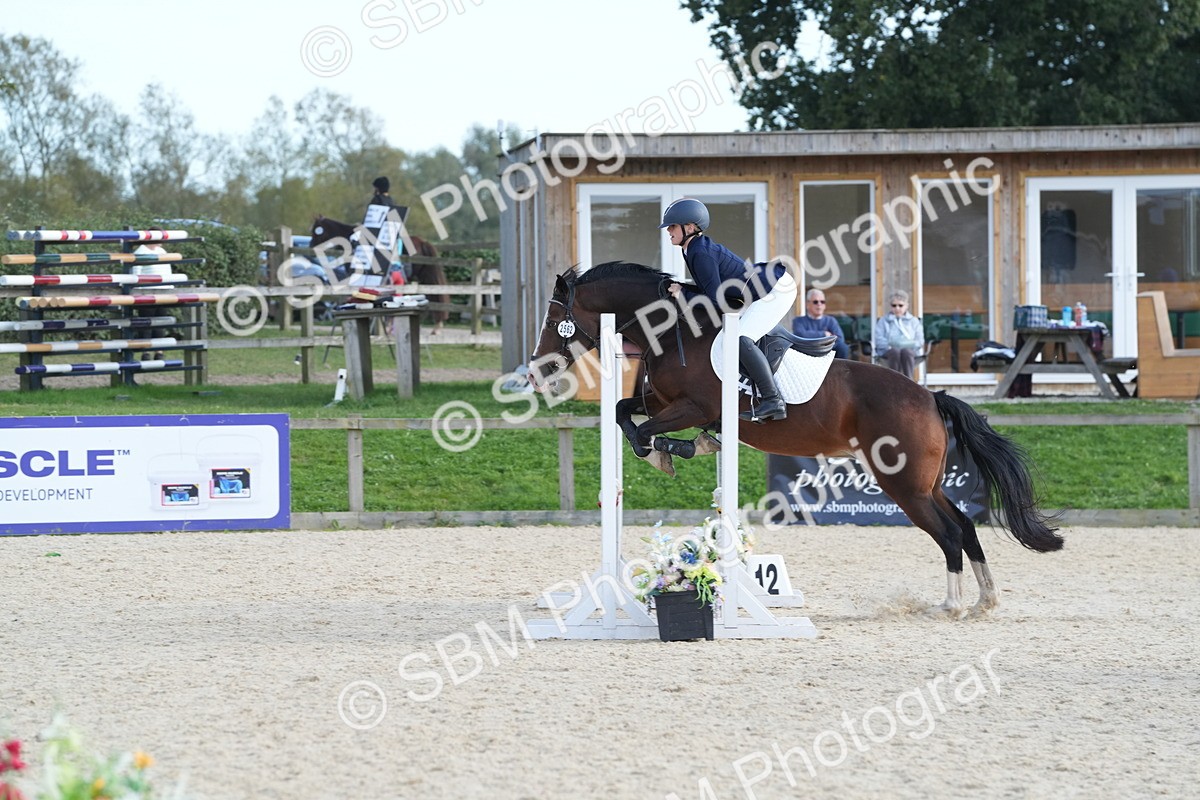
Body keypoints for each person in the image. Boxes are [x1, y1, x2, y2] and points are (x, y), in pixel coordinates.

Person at [660, 197, 797, 422]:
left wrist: (682, 293)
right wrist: (681, 288)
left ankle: (773, 400)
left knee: (740, 338)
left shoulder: (700, 252)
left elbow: (714, 301)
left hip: (775, 290)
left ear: (690, 227)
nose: (669, 231)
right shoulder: (692, 248)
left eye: (673, 226)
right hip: (760, 290)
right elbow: (710, 290)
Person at [873, 290, 925, 377]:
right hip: (889, 351)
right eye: (894, 305)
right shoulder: (883, 320)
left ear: (906, 306)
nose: (897, 308)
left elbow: (919, 341)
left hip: (910, 351)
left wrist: (908, 344)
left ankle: (909, 382)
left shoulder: (913, 321)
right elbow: (878, 339)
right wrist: (891, 343)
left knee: (906, 352)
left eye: (900, 305)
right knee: (895, 352)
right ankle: (894, 381)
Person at [792, 288, 850, 358]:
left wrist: (823, 347)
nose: (819, 304)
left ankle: (840, 369)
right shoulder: (798, 321)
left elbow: (840, 339)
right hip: (807, 354)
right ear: (807, 304)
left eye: (822, 302)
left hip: (828, 353)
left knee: (843, 347)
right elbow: (800, 335)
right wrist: (824, 334)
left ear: (824, 305)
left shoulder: (831, 320)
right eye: (815, 302)